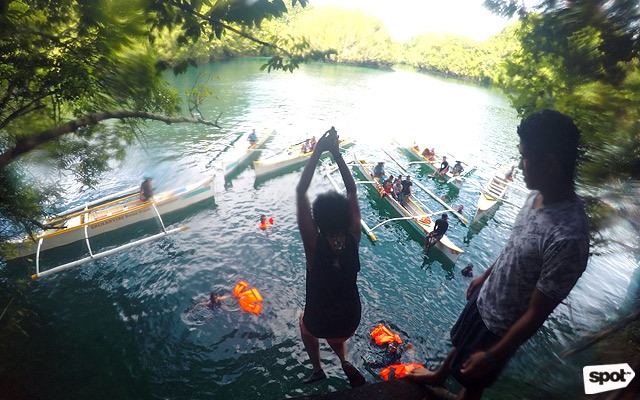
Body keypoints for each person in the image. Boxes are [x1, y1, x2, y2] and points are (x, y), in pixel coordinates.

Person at [407, 109, 590, 400]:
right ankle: (439, 376)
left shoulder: (569, 238)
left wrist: (494, 355)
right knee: (459, 343)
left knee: (473, 380)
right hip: (486, 297)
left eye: (526, 157)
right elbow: (514, 247)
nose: (520, 165)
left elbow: (536, 313)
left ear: (550, 163)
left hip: (500, 327)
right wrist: (486, 275)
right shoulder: (536, 195)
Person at [296, 126, 366, 388]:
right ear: (345, 218)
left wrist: (317, 151)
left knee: (305, 323)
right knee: (335, 330)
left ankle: (317, 369)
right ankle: (345, 361)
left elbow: (301, 192)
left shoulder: (313, 246)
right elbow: (352, 191)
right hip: (350, 318)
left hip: (320, 320)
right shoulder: (354, 238)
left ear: (318, 220)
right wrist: (336, 153)